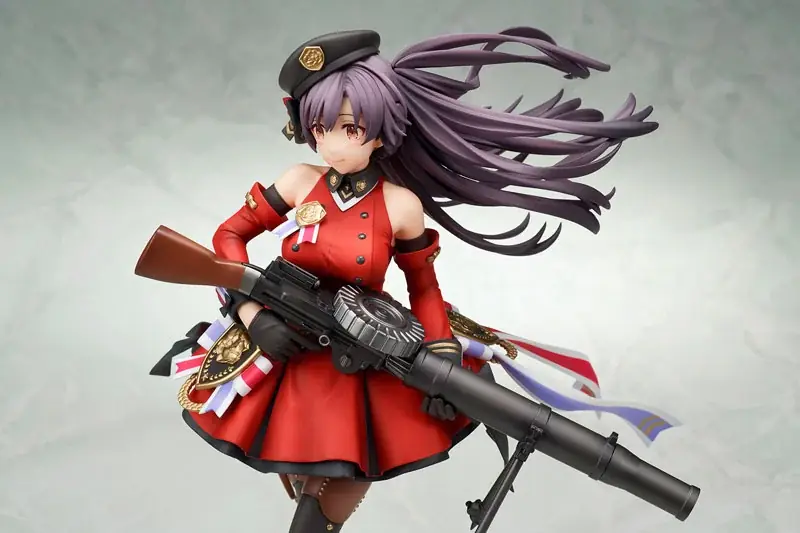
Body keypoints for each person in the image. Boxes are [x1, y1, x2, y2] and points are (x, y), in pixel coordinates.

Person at [155, 27, 659, 532]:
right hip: (286, 348)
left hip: (357, 354)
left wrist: (443, 359)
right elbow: (228, 237)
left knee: (327, 495)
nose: (331, 142)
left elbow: (423, 288)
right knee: (300, 471)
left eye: (350, 128)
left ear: (381, 129)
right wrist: (251, 313)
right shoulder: (298, 181)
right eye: (320, 126)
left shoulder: (400, 206)